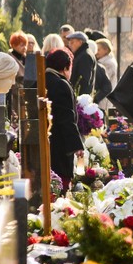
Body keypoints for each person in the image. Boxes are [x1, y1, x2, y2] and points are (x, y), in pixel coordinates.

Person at [45, 48, 84, 190]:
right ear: (66, 67)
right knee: (59, 184)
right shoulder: (61, 84)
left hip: (42, 143)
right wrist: (77, 146)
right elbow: (66, 118)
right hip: (58, 144)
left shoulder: (39, 80)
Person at [65, 31, 96, 95]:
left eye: (72, 42)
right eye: (69, 42)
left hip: (80, 97)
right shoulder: (82, 54)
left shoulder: (85, 56)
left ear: (80, 42)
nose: (69, 44)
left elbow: (83, 81)